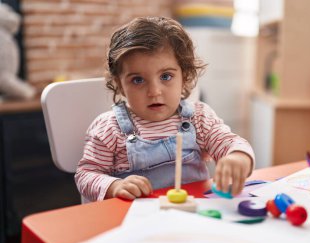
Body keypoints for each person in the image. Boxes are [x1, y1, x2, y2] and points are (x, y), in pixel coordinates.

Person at [75, 16, 255, 202]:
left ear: (184, 77)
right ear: (120, 85)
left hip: (193, 216)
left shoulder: (199, 118)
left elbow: (230, 142)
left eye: (166, 76)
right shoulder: (109, 129)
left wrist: (238, 157)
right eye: (137, 80)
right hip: (136, 222)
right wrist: (114, 186)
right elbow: (86, 175)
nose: (154, 92)